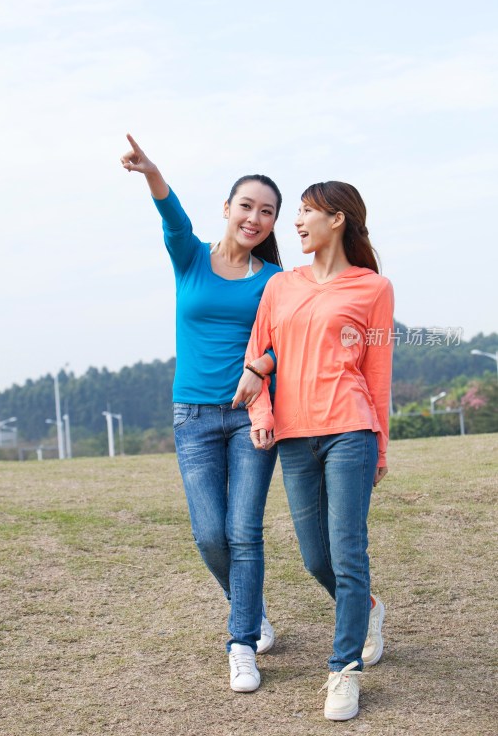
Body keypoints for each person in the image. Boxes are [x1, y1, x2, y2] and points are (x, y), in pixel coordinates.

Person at [121, 134, 283, 693]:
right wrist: (152, 172)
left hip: (250, 416)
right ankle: (252, 608)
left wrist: (259, 366)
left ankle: (242, 644)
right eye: (246, 206)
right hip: (192, 416)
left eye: (267, 211)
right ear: (227, 208)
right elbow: (171, 216)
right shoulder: (190, 258)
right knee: (209, 533)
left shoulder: (274, 281)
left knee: (243, 531)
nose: (254, 217)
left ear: (273, 222)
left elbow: (290, 343)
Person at [233, 180, 394, 720]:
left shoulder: (373, 288)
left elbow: (378, 373)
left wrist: (381, 447)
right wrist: (262, 414)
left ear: (338, 220)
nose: (296, 223)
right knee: (315, 557)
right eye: (296, 213)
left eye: (306, 213)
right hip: (295, 436)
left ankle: (343, 671)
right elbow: (260, 351)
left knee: (349, 553)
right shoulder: (282, 285)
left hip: (351, 429)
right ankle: (368, 608)